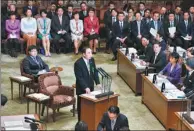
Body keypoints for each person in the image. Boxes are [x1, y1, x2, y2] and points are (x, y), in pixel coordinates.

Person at [74, 48, 101, 121]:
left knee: (90, 106)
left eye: (91, 53)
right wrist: (85, 87)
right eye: (88, 53)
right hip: (82, 89)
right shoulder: (78, 63)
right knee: (81, 107)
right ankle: (80, 123)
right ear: (83, 54)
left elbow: (94, 71)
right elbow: (79, 77)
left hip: (91, 87)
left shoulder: (92, 60)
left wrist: (97, 82)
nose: (91, 54)